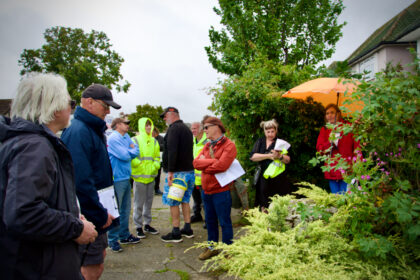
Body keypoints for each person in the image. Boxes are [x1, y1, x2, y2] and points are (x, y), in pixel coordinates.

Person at [0, 73, 97, 279]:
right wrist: (76, 227)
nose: (72, 108)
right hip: (37, 266)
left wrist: (68, 212)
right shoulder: (35, 147)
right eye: (69, 102)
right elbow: (23, 212)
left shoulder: (25, 142)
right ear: (53, 106)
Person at [61, 84, 120, 280]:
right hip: (90, 215)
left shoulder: (90, 129)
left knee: (97, 259)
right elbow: (80, 181)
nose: (108, 111)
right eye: (105, 106)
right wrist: (99, 215)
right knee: (90, 267)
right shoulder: (80, 132)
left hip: (97, 211)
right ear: (89, 102)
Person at [193, 116, 237, 260]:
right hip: (206, 190)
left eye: (206, 127)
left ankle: (227, 249)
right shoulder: (207, 145)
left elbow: (223, 166)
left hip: (221, 191)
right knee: (210, 221)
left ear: (216, 127)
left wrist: (206, 164)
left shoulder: (229, 145)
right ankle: (212, 247)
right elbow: (196, 163)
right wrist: (213, 162)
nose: (203, 130)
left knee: (224, 221)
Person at [160, 107, 195, 243]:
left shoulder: (173, 129)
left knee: (173, 202)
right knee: (185, 200)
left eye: (164, 116)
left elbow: (172, 151)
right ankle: (187, 228)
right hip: (189, 172)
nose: (164, 119)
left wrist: (170, 172)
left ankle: (176, 232)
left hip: (178, 174)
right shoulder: (186, 129)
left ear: (171, 115)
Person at [107, 118, 141, 252]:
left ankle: (124, 235)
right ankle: (112, 239)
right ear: (117, 125)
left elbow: (136, 151)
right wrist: (130, 149)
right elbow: (125, 155)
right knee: (116, 210)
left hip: (126, 176)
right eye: (125, 123)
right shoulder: (113, 138)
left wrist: (130, 150)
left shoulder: (126, 136)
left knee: (125, 209)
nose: (128, 125)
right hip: (117, 178)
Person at [250, 119, 294, 211]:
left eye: (272, 131)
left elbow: (288, 160)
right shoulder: (260, 141)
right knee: (263, 203)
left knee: (277, 204)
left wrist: (279, 156)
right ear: (264, 131)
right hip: (262, 177)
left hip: (278, 178)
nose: (270, 134)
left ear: (276, 131)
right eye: (268, 131)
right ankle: (264, 223)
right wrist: (269, 156)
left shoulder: (281, 142)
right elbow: (253, 157)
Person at [316, 104, 360, 194]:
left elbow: (357, 148)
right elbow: (320, 149)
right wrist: (330, 142)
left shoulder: (349, 127)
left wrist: (358, 167)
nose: (329, 115)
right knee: (336, 199)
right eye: (327, 113)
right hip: (331, 170)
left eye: (332, 112)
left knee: (346, 199)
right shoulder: (325, 129)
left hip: (347, 169)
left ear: (339, 114)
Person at [131, 118, 161, 238]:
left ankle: (147, 224)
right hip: (139, 177)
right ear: (142, 126)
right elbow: (132, 156)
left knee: (149, 202)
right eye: (146, 125)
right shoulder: (134, 140)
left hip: (151, 177)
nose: (149, 127)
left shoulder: (154, 141)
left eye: (150, 125)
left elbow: (157, 157)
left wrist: (156, 166)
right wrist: (140, 165)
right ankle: (138, 226)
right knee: (138, 203)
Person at [190, 121, 208, 223]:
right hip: (193, 176)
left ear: (201, 129)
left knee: (205, 200)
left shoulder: (207, 142)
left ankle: (208, 219)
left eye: (195, 129)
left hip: (204, 176)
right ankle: (197, 215)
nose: (193, 131)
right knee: (196, 199)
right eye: (192, 129)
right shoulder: (192, 141)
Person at [152, 127, 164, 195]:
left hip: (159, 159)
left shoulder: (160, 138)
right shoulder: (148, 138)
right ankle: (151, 190)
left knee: (158, 175)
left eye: (153, 131)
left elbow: (164, 146)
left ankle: (157, 189)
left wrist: (156, 146)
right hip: (150, 160)